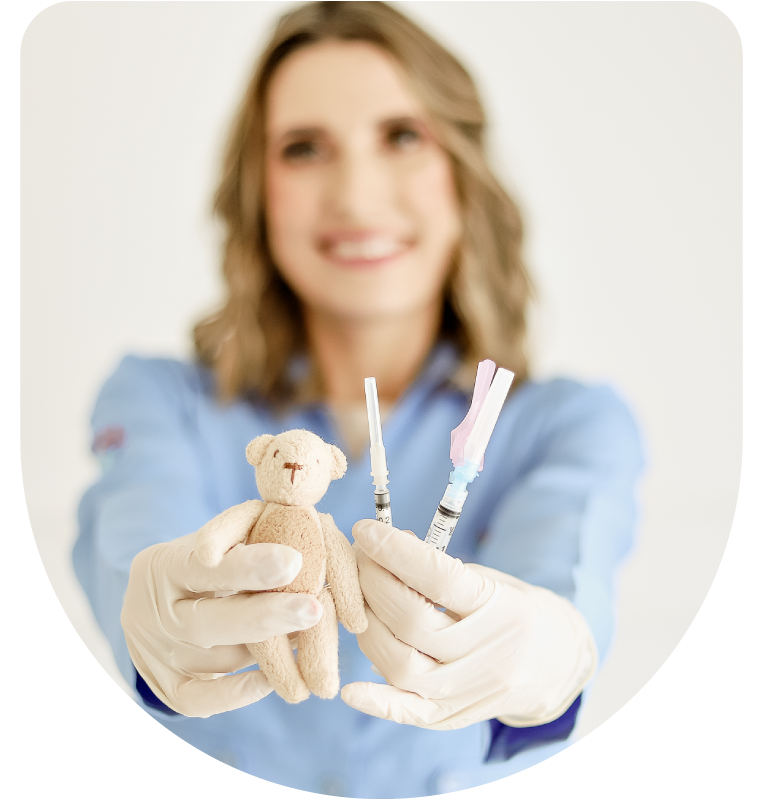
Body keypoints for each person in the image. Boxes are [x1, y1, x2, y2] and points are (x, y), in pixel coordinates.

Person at [74, 1, 642, 793]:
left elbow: (562, 571)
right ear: (256, 191)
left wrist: (552, 655)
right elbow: (138, 537)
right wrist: (159, 618)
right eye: (304, 148)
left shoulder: (566, 424)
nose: (355, 194)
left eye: (401, 135)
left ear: (462, 173)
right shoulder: (160, 401)